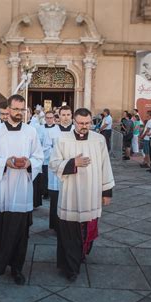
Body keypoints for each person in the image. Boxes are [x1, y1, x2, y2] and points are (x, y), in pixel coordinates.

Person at [0, 94, 43, 285]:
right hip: (1, 189)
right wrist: (5, 162)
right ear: (8, 109)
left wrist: (29, 162)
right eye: (15, 109)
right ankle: (2, 262)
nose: (19, 113)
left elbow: (39, 157)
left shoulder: (31, 132)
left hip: (22, 189)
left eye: (22, 109)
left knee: (19, 231)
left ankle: (17, 267)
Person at [49, 108, 114, 282]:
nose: (84, 126)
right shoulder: (63, 139)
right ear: (74, 122)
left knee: (87, 229)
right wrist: (72, 163)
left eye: (87, 123)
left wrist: (107, 192)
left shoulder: (99, 140)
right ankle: (70, 267)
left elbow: (105, 166)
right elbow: (53, 163)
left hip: (92, 193)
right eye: (80, 123)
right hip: (70, 193)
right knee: (69, 232)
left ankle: (81, 254)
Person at [46, 106, 74, 230]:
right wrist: (58, 155)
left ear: (72, 116)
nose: (66, 117)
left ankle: (69, 223)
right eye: (63, 115)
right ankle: (56, 225)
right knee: (56, 197)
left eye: (68, 115)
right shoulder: (52, 131)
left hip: (72, 168)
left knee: (71, 197)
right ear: (59, 116)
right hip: (56, 170)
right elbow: (46, 148)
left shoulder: (75, 131)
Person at [42, 111, 56, 199]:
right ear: (45, 118)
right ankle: (45, 192)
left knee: (53, 175)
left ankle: (52, 193)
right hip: (44, 154)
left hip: (54, 155)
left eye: (51, 118)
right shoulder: (40, 128)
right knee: (45, 175)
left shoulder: (57, 129)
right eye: (47, 118)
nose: (49, 119)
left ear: (54, 118)